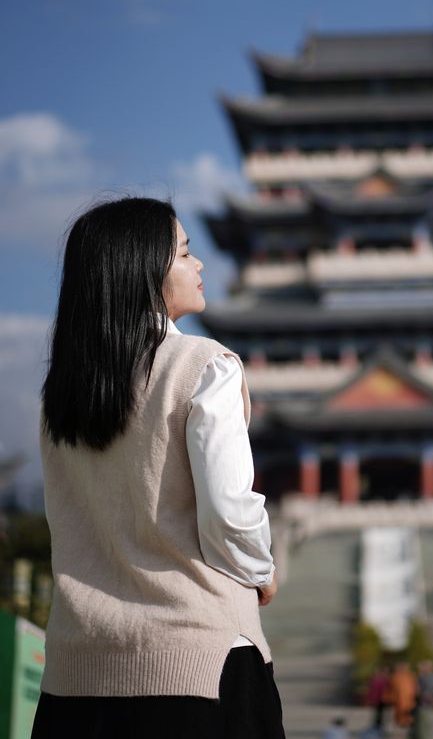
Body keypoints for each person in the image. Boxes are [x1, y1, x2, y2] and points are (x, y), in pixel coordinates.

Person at [32, 197, 285, 739]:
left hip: (76, 676)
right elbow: (229, 513)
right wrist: (261, 571)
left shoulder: (61, 395)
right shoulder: (203, 366)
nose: (199, 267)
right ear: (145, 269)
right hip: (198, 665)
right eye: (186, 253)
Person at [385, 661, 418, 730]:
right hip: (399, 699)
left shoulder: (410, 676)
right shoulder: (395, 676)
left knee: (407, 713)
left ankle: (406, 724)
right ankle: (402, 724)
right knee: (400, 714)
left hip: (408, 699)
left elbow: (415, 687)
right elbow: (390, 688)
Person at [364, 666, 390, 734]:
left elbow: (370, 690)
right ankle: (378, 727)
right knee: (380, 714)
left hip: (379, 699)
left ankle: (377, 727)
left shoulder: (376, 679)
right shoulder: (383, 680)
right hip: (381, 699)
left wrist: (369, 699)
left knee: (378, 714)